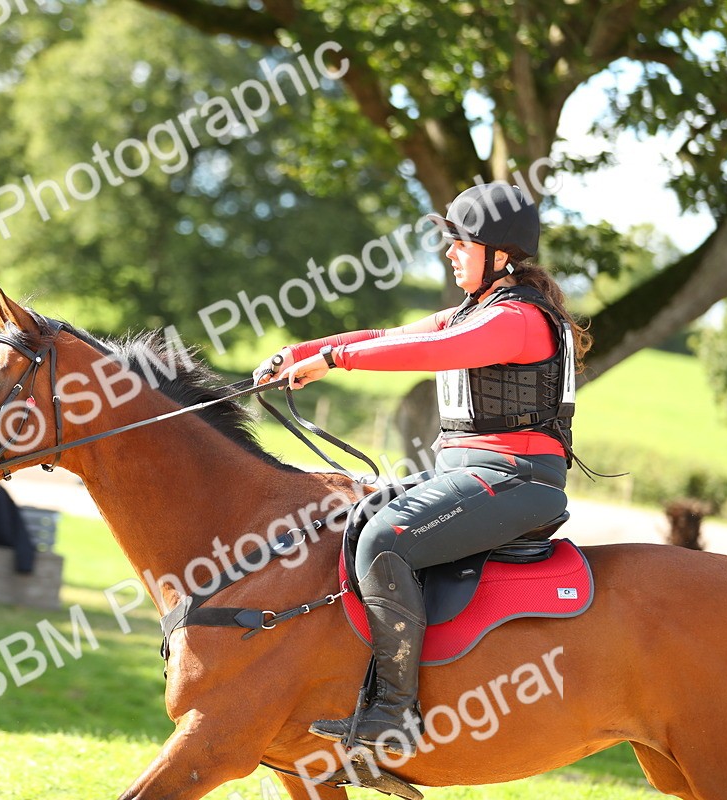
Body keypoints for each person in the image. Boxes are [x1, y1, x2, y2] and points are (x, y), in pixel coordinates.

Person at [253, 182, 591, 756]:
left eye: (461, 243)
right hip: (470, 474)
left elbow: (429, 354)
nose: (450, 253)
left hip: (517, 481)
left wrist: (334, 361)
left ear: (499, 255)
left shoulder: (519, 320)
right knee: (357, 520)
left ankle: (394, 714)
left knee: (387, 540)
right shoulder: (475, 310)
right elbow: (389, 336)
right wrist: (303, 350)